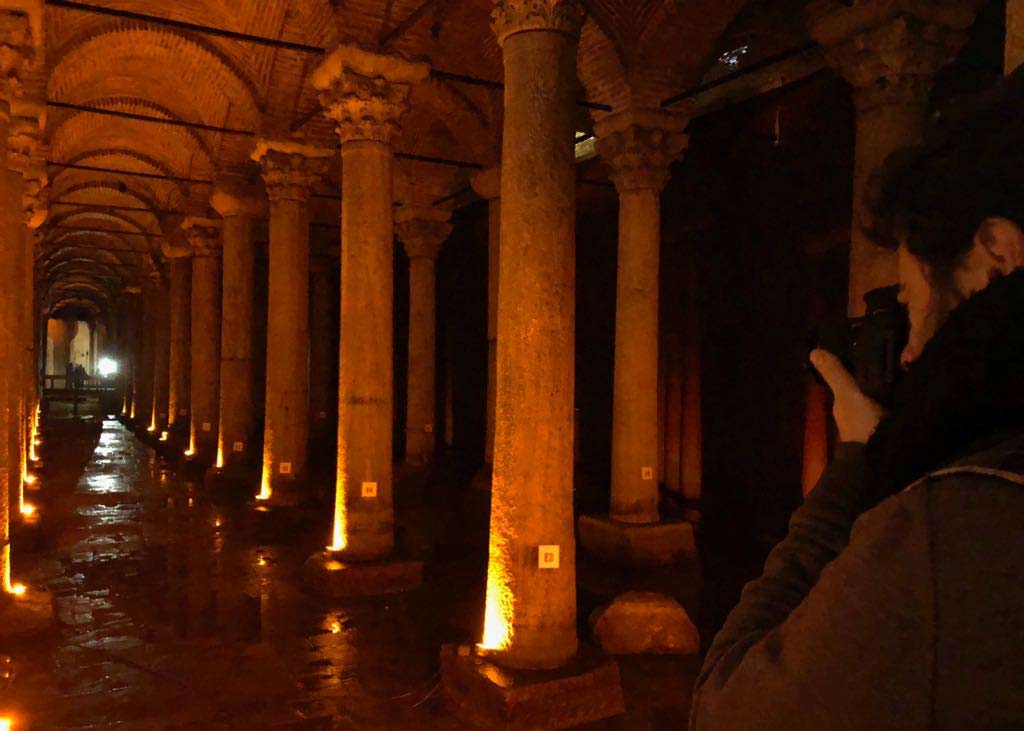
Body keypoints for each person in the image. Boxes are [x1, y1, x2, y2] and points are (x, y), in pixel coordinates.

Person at [690, 75, 1024, 728]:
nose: (907, 353)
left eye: (912, 300)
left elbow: (727, 706)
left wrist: (858, 463)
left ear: (997, 255)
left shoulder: (959, 522)